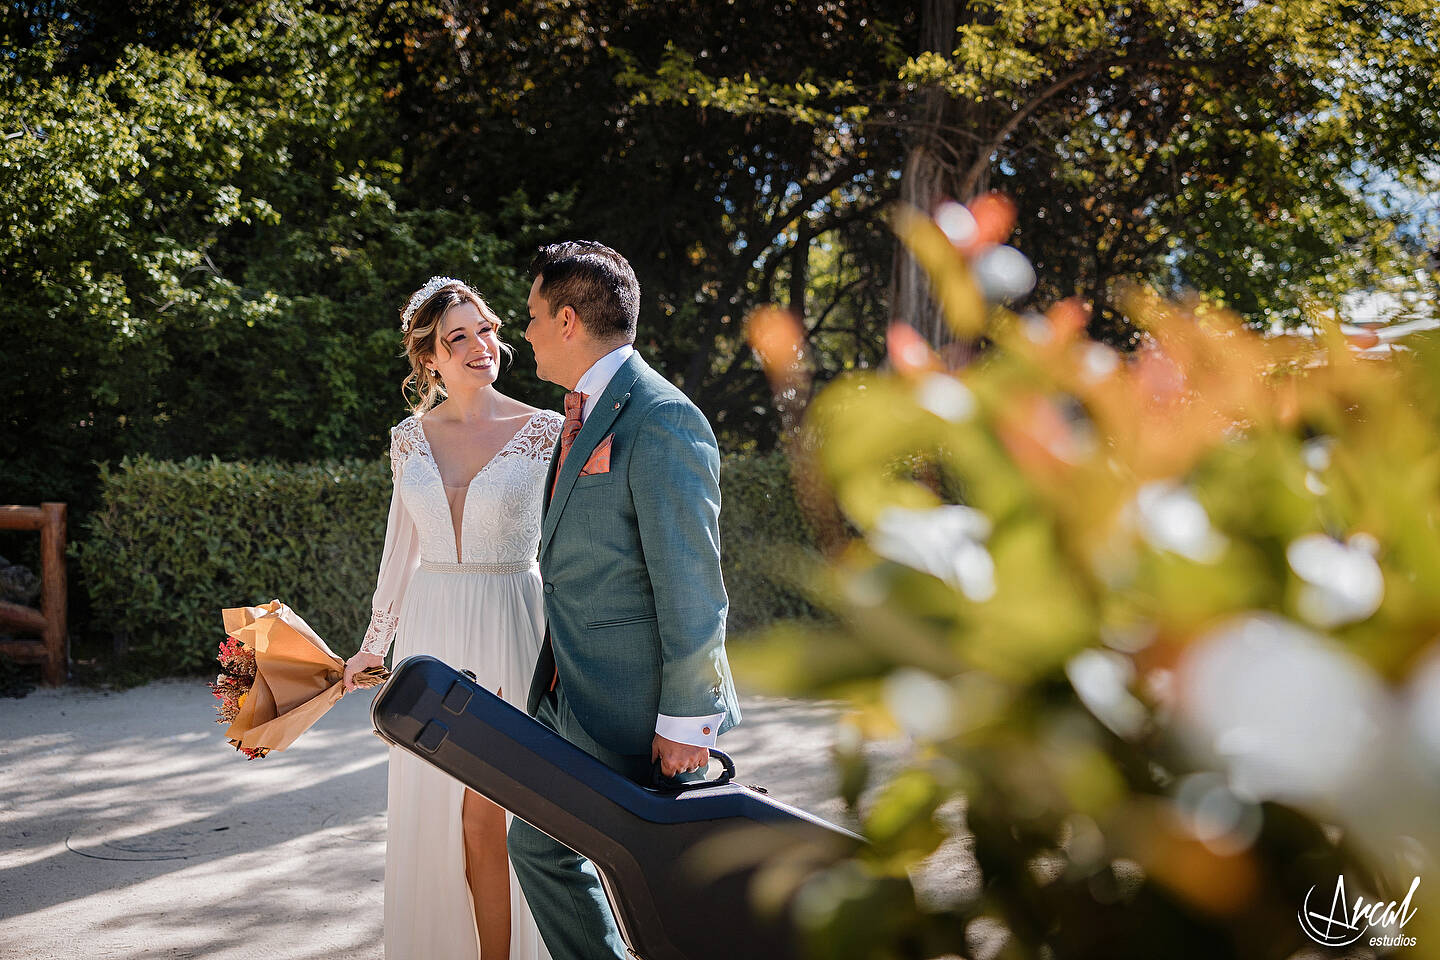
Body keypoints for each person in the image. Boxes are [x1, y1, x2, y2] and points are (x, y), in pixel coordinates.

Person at [507, 241, 742, 960]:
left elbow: (693, 583)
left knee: (673, 894)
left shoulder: (662, 417)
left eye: (533, 317)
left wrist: (688, 720)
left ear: (569, 319)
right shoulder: (582, 410)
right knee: (541, 847)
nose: (525, 333)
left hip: (639, 707)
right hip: (570, 688)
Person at [343, 277, 559, 960]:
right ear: (428, 358)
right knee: (435, 816)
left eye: (487, 330)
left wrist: (572, 655)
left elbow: (570, 551)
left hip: (512, 624)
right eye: (456, 337)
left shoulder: (547, 433)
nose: (479, 346)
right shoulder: (408, 441)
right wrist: (372, 647)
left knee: (487, 814)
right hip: (432, 635)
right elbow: (398, 552)